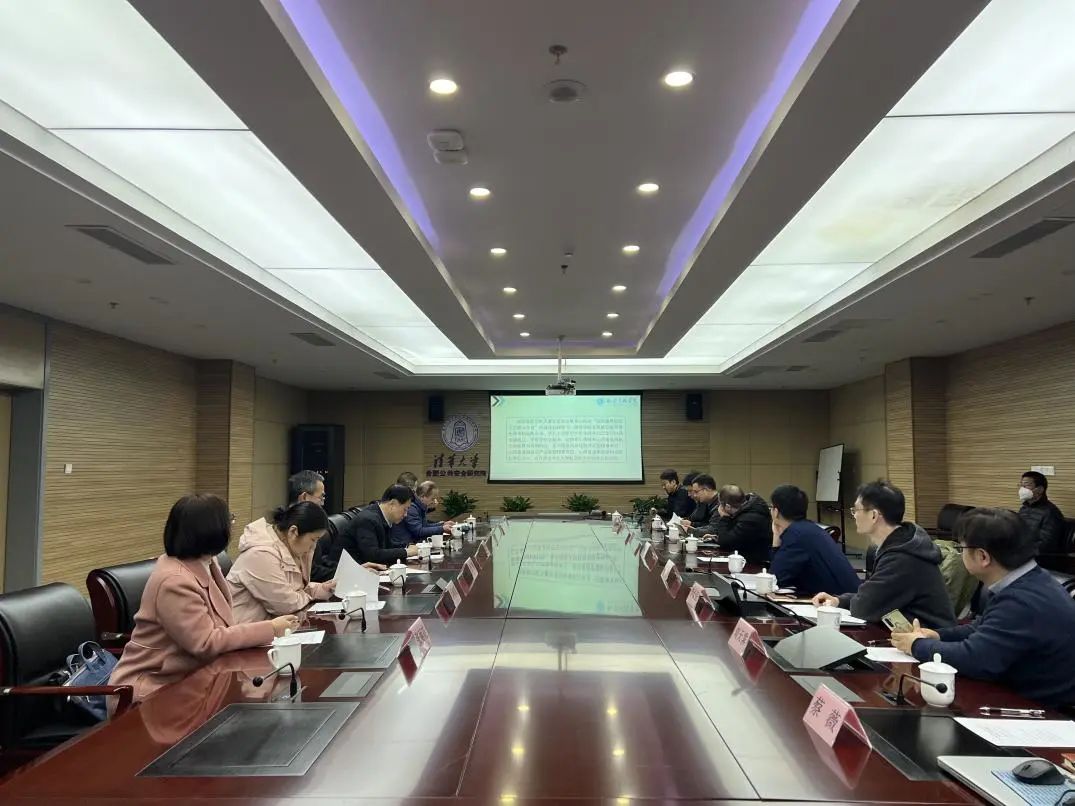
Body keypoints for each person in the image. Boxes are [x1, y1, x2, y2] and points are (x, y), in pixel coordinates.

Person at [109, 494, 296, 705]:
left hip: (195, 679)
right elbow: (205, 642)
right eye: (229, 519)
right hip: (153, 689)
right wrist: (270, 628)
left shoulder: (207, 562)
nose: (232, 525)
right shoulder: (174, 581)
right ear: (211, 529)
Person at [891, 508, 1075, 706]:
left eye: (961, 548)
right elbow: (981, 627)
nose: (960, 554)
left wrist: (916, 645)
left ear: (983, 557)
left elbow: (975, 659)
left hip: (1042, 710)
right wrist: (938, 636)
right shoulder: (1028, 580)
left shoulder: (1022, 601)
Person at [813, 481, 955, 626]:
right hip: (909, 630)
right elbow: (874, 595)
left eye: (856, 510)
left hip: (928, 635)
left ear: (874, 515)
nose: (854, 515)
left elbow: (864, 608)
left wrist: (847, 601)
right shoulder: (901, 544)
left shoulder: (901, 557)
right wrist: (839, 600)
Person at [227, 502, 337, 623]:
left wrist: (321, 588)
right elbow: (285, 605)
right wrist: (310, 594)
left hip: (273, 627)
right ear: (293, 531)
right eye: (313, 539)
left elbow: (294, 590)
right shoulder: (261, 554)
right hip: (245, 629)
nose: (313, 546)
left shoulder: (289, 546)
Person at [769, 484, 860, 596]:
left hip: (840, 602)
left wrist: (776, 540)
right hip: (848, 597)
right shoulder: (808, 529)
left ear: (776, 512)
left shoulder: (796, 536)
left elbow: (774, 579)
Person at [320, 484, 419, 571]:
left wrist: (407, 546)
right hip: (341, 572)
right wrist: (406, 552)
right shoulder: (368, 519)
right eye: (405, 509)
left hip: (360, 569)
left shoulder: (381, 516)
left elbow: (386, 545)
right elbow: (372, 555)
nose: (406, 514)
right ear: (393, 504)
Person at [700, 485, 772, 565]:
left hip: (754, 563)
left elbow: (727, 543)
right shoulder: (744, 511)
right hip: (742, 558)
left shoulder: (751, 518)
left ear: (727, 506)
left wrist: (724, 518)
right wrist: (716, 538)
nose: (719, 508)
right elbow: (733, 535)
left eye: (720, 505)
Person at [390, 480, 455, 547]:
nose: (434, 501)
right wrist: (442, 528)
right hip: (405, 545)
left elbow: (424, 525)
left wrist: (442, 524)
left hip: (412, 543)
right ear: (422, 497)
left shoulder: (419, 506)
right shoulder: (412, 508)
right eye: (432, 499)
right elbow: (419, 531)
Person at [1018, 471, 1067, 553]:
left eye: (1026, 485)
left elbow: (1046, 544)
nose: (1022, 489)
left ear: (1040, 489)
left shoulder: (1051, 512)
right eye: (1021, 485)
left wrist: (1020, 551)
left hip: (1038, 557)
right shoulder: (1024, 508)